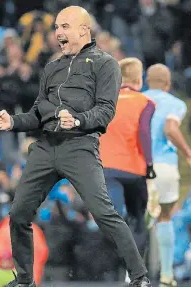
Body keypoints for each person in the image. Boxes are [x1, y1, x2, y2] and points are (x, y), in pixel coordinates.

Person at [0, 6, 150, 287]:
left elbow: (105, 111)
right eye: (56, 27)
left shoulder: (105, 64)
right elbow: (37, 114)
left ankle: (139, 277)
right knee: (18, 213)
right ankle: (25, 280)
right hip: (45, 147)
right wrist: (12, 122)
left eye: (64, 26)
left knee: (105, 214)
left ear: (84, 30)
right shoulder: (52, 67)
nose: (58, 33)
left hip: (80, 146)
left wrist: (77, 121)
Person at [99, 57, 156, 283]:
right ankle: (135, 273)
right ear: (138, 79)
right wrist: (150, 163)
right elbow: (143, 131)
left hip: (106, 168)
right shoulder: (146, 102)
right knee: (138, 220)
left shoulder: (104, 101)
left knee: (115, 217)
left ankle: (120, 259)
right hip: (134, 170)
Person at [143, 63, 191, 287]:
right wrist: (188, 152)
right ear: (168, 83)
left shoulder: (137, 100)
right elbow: (170, 129)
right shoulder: (176, 104)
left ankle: (133, 275)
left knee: (136, 220)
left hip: (138, 167)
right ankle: (166, 275)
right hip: (164, 167)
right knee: (165, 218)